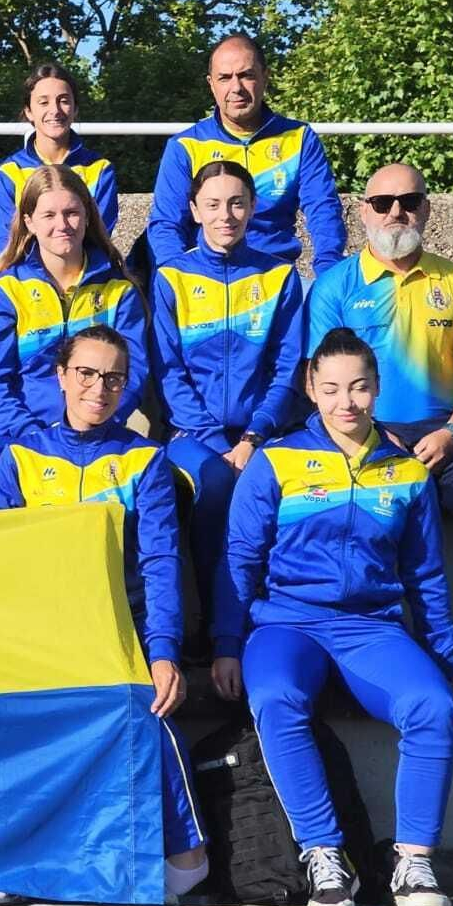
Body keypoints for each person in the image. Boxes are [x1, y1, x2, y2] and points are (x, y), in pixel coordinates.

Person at [212, 328, 453, 906]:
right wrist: (225, 644)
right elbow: (239, 559)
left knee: (432, 707)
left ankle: (414, 861)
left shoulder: (405, 471)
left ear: (377, 389)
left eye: (358, 387)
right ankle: (324, 855)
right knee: (275, 696)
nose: (345, 402)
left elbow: (426, 575)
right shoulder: (278, 460)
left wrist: (449, 660)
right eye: (330, 389)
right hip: (286, 625)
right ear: (310, 389)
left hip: (372, 629)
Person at [0, 325, 209, 905]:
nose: (99, 388)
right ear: (60, 376)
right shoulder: (21, 457)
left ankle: (188, 855)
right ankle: (19, 858)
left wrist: (163, 653)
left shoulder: (144, 460)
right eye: (86, 373)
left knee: (148, 708)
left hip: (117, 630)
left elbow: (160, 562)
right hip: (38, 633)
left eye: (113, 377)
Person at [306, 162, 453, 671]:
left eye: (409, 201)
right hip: (363, 431)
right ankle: (377, 634)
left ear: (427, 208)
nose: (396, 212)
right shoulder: (334, 286)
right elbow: (319, 380)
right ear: (362, 212)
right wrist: (370, 433)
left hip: (446, 431)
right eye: (383, 203)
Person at [152, 160, 304, 634]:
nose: (226, 215)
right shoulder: (170, 277)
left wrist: (255, 434)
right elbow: (168, 370)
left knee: (283, 490)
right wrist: (219, 439)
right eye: (213, 204)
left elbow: (288, 367)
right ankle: (213, 625)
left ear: (253, 207)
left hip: (265, 433)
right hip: (192, 434)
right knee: (215, 484)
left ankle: (274, 621)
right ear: (194, 210)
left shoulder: (279, 277)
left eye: (237, 203)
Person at [0, 165, 147, 487]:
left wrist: (97, 422)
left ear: (88, 217)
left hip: (101, 427)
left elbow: (135, 373)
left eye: (71, 213)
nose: (62, 225)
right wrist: (33, 433)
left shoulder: (119, 290)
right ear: (29, 222)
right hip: (23, 431)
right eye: (49, 215)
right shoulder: (8, 290)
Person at [147, 33, 345, 273]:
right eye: (224, 78)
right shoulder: (185, 145)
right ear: (211, 84)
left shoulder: (299, 138)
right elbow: (166, 225)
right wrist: (177, 278)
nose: (236, 87)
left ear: (265, 77)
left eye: (246, 75)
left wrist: (328, 275)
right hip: (207, 277)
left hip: (276, 276)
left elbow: (323, 209)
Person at [0, 61, 119, 248]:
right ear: (29, 111)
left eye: (64, 101)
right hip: (27, 276)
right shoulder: (7, 173)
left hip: (86, 274)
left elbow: (99, 242)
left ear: (75, 109)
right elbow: (8, 246)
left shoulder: (100, 170)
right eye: (44, 102)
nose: (55, 110)